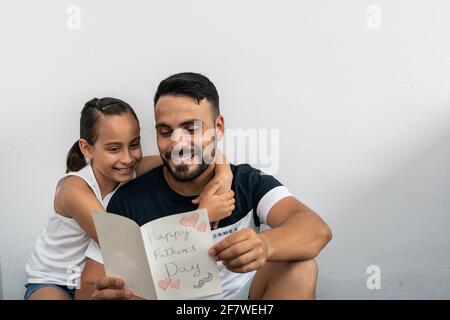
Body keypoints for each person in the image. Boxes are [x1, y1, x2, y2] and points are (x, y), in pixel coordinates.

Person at [76, 72, 332, 300]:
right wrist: (102, 295)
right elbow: (87, 285)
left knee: (301, 267)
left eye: (191, 128)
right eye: (165, 132)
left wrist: (264, 245)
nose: (178, 143)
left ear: (218, 127)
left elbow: (316, 230)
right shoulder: (129, 200)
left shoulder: (245, 182)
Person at [24, 97, 234, 300]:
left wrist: (224, 175)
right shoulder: (73, 189)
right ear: (87, 149)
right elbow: (123, 248)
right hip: (56, 281)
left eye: (134, 145)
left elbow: (200, 155)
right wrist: (200, 217)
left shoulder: (132, 168)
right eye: (114, 149)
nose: (127, 158)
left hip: (97, 279)